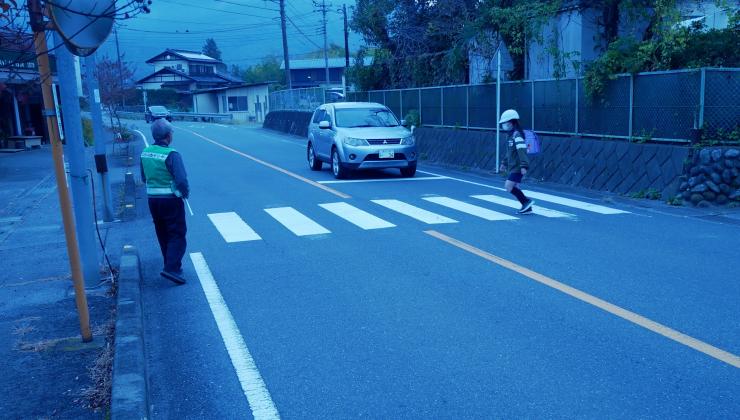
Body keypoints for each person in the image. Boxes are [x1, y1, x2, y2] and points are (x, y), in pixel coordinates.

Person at [141, 118, 189, 284]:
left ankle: (170, 264)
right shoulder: (172, 154)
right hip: (170, 199)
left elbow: (143, 177)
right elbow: (181, 179)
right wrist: (185, 193)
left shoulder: (145, 153)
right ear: (168, 136)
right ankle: (172, 268)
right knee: (176, 233)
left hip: (152, 200)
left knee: (162, 232)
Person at [499, 109, 534, 214]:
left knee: (508, 186)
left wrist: (524, 166)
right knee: (513, 187)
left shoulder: (517, 135)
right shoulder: (511, 136)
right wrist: (504, 163)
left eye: (505, 123)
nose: (504, 125)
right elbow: (509, 152)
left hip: (518, 167)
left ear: (511, 122)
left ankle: (526, 202)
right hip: (513, 166)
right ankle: (527, 206)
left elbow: (522, 151)